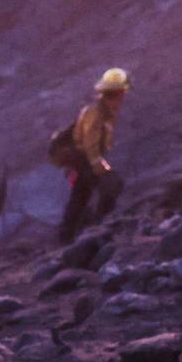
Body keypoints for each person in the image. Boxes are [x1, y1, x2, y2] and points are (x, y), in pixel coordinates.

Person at [53, 68, 130, 244]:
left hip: (84, 160)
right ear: (117, 92)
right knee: (111, 185)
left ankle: (71, 236)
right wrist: (100, 167)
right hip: (83, 160)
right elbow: (90, 143)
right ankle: (98, 229)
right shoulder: (96, 112)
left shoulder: (105, 111)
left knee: (80, 197)